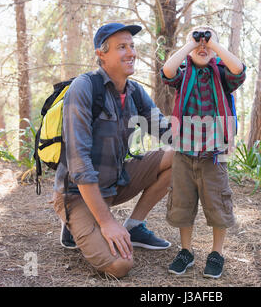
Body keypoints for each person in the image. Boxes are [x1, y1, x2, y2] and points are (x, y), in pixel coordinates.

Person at [52, 23, 174, 278]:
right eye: (122, 47)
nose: (131, 52)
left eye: (132, 46)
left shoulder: (134, 91)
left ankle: (135, 225)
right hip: (77, 194)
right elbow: (78, 162)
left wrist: (205, 139)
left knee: (180, 156)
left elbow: (165, 130)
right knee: (120, 266)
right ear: (101, 54)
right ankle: (75, 222)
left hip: (115, 181)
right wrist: (107, 222)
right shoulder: (84, 88)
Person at [161, 26, 246, 279]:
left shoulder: (222, 73)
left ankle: (216, 253)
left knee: (217, 203)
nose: (202, 46)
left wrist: (214, 46)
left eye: (208, 43)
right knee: (182, 203)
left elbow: (238, 69)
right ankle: (186, 251)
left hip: (215, 153)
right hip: (185, 152)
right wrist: (190, 44)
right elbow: (167, 70)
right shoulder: (183, 73)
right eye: (197, 42)